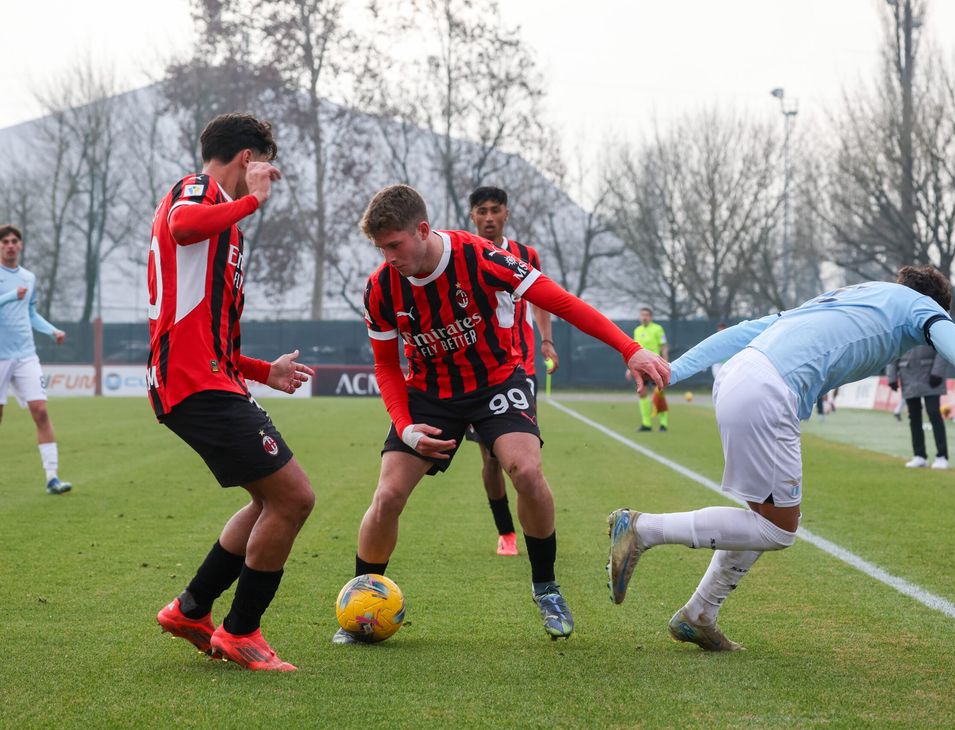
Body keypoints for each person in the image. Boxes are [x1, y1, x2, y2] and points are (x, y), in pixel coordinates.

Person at [607, 266, 955, 652]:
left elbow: (744, 330)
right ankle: (642, 530)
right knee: (777, 530)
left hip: (742, 376)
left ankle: (699, 615)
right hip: (768, 390)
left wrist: (672, 369)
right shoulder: (922, 309)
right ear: (936, 304)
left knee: (762, 515)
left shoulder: (851, 295)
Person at [337, 184, 668, 643]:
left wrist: (629, 348)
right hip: (430, 393)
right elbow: (387, 365)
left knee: (525, 471)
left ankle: (546, 586)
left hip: (497, 380)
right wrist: (404, 426)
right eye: (381, 248)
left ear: (423, 229)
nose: (389, 256)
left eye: (394, 245)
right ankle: (361, 599)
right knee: (388, 495)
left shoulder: (481, 257)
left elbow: (562, 302)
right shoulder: (379, 288)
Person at [149, 114, 316, 672]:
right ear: (248, 159)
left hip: (208, 376)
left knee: (270, 500)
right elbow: (182, 226)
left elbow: (207, 329)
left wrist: (261, 370)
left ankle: (192, 610)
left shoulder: (225, 220)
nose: (266, 177)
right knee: (293, 498)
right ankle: (240, 632)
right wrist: (251, 202)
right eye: (265, 164)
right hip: (194, 383)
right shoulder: (198, 192)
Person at [465, 186, 559, 557]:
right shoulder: (461, 253)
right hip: (480, 373)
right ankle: (505, 531)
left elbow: (540, 297)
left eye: (495, 210)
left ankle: (535, 527)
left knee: (524, 457)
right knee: (490, 456)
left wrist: (547, 340)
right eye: (482, 211)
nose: (489, 218)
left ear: (506, 213)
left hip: (522, 368)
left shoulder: (525, 255)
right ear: (473, 216)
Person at [0, 224, 72, 494]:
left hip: (26, 354)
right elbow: (9, 301)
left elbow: (30, 314)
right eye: (5, 241)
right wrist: (9, 296)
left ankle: (52, 477)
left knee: (41, 412)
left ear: (20, 245)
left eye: (14, 241)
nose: (9, 245)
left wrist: (52, 330)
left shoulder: (28, 278)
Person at [887, 344, 949, 469]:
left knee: (934, 414)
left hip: (931, 377)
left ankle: (942, 456)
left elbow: (943, 350)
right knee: (914, 417)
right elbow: (892, 352)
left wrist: (937, 372)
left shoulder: (930, 327)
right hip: (908, 377)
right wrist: (891, 377)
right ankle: (919, 455)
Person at [632, 307, 670, 431]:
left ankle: (663, 423)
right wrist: (629, 368)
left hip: (655, 365)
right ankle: (646, 423)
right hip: (641, 368)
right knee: (642, 392)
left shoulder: (657, 329)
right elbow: (633, 351)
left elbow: (663, 347)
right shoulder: (637, 330)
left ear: (651, 317)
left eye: (647, 315)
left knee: (658, 393)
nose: (644, 317)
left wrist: (665, 363)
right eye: (642, 315)